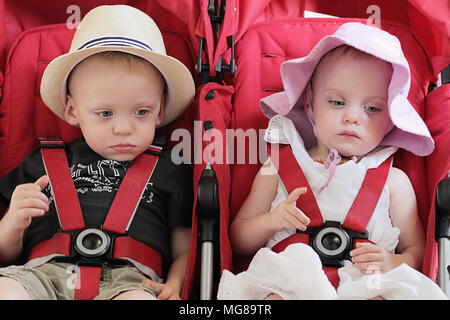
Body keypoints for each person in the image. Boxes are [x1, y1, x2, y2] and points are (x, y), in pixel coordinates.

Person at [217, 23, 447, 300]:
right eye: (337, 102)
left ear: (389, 121)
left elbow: (418, 253)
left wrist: (393, 261)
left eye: (372, 108)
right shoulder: (276, 167)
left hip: (366, 283)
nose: (353, 117)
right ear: (310, 105)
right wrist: (270, 221)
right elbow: (238, 240)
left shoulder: (394, 181)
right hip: (290, 280)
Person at [0, 5, 195, 300]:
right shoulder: (41, 163)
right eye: (105, 113)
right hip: (41, 274)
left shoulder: (170, 170)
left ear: (160, 111)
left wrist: (176, 283)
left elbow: (184, 247)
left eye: (141, 112)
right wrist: (13, 221)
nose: (123, 128)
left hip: (130, 281)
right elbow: (5, 255)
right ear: (72, 110)